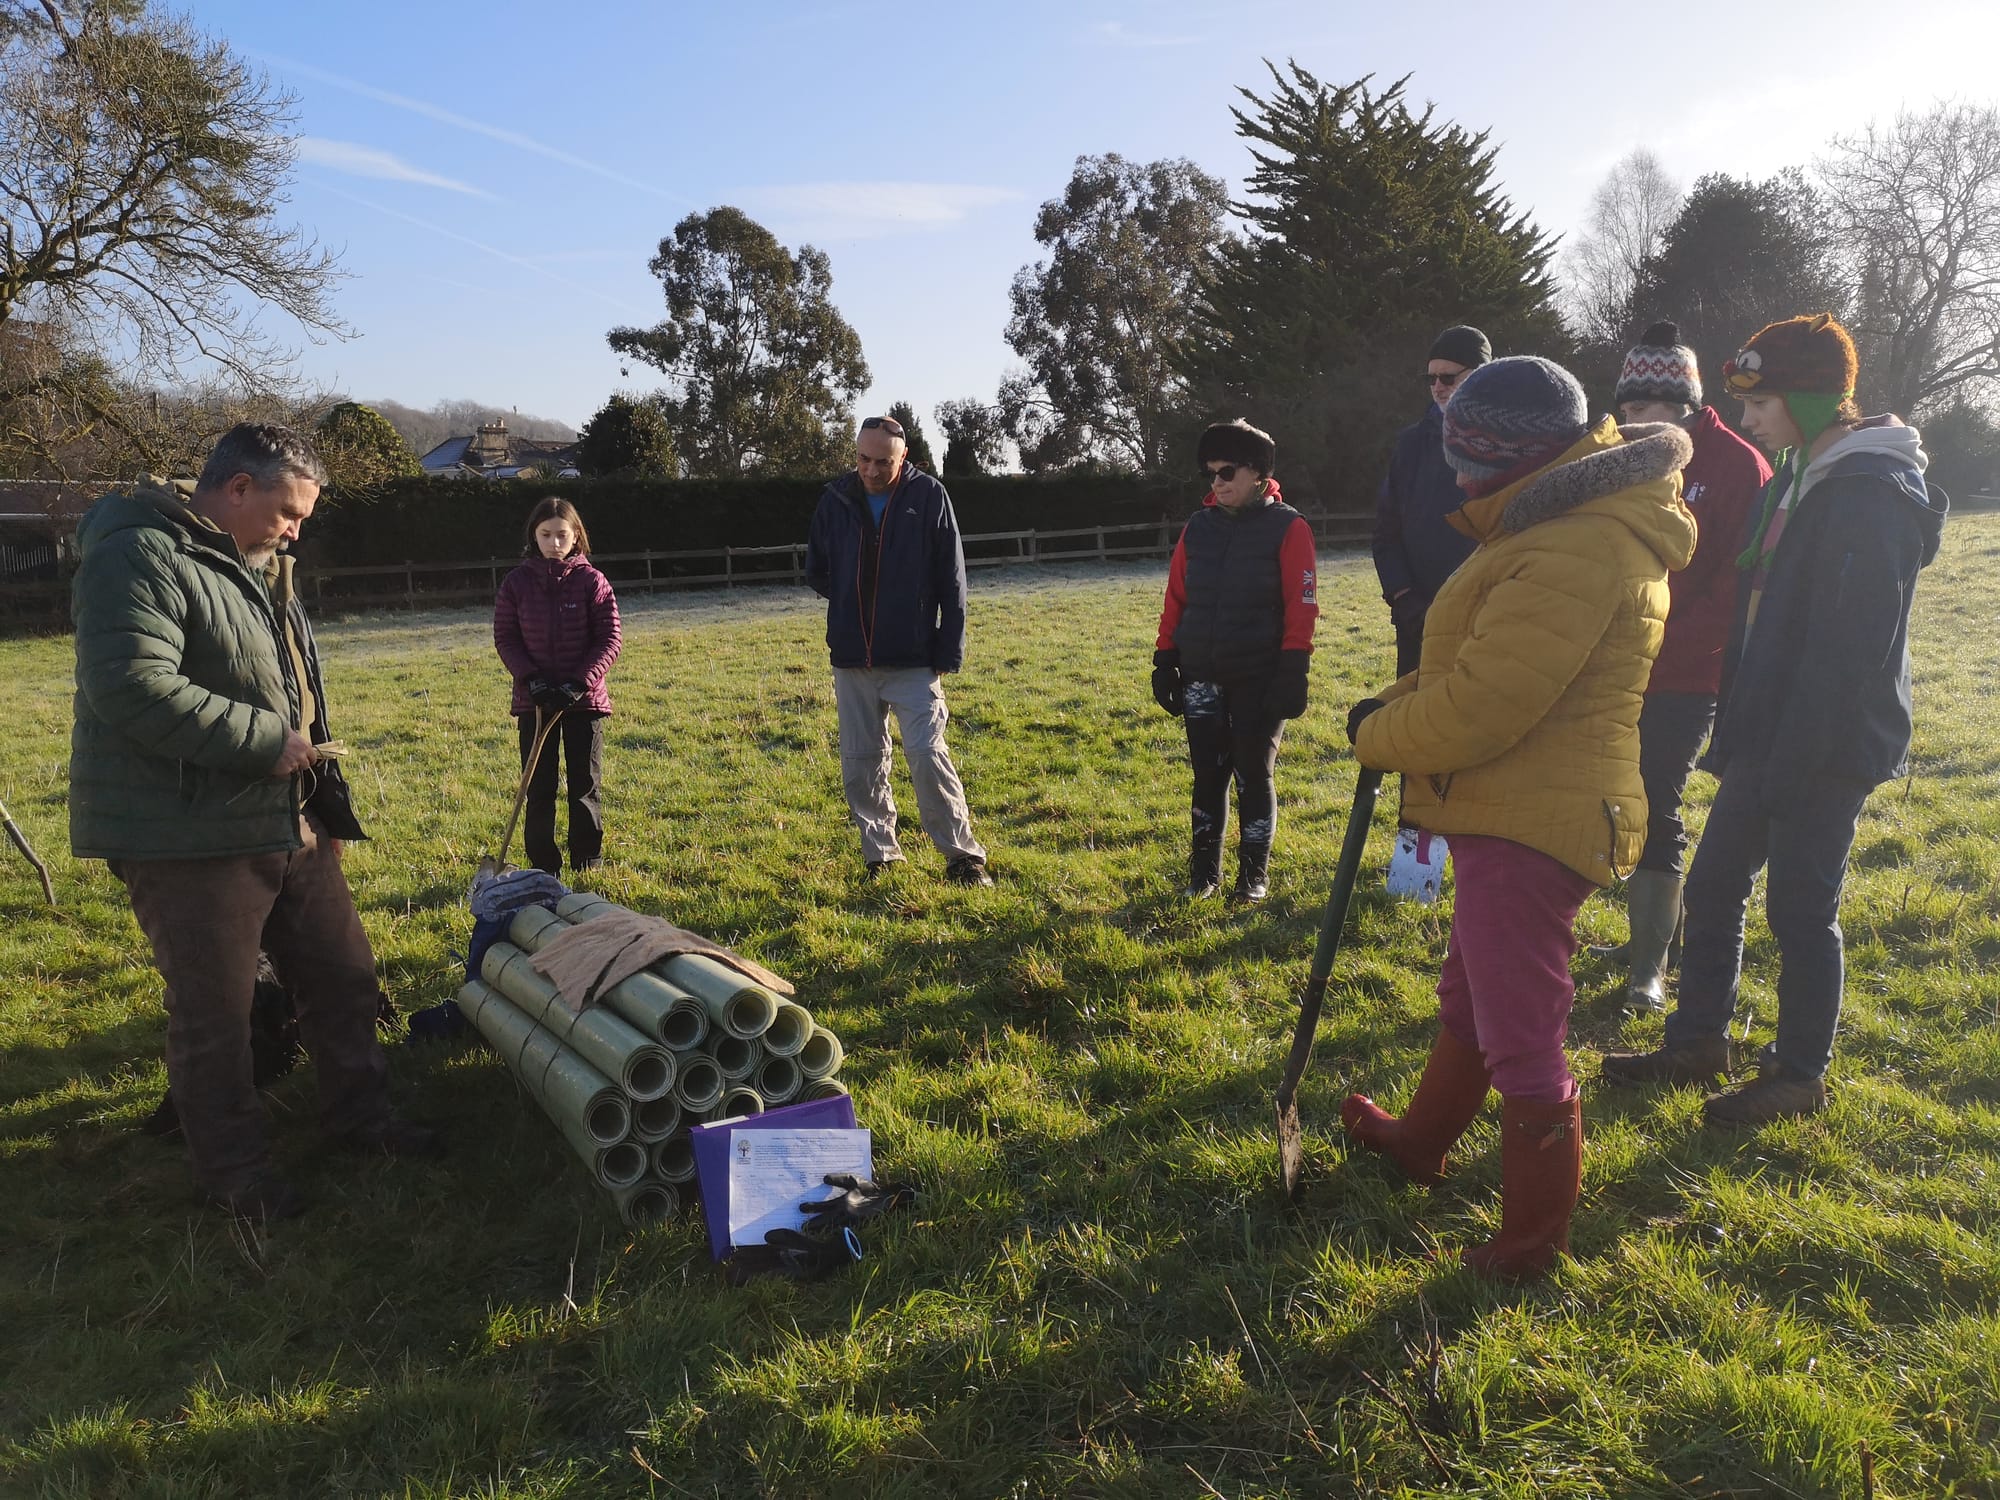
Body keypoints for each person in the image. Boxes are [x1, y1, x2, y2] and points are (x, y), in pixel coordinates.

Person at [1341, 357, 1696, 1279]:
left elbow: (1484, 708)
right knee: (1476, 997)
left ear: (1516, 454)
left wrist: (1380, 738)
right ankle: (1420, 1143)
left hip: (1536, 820)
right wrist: (1394, 702)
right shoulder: (1546, 521)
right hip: (1516, 804)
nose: (1455, 476)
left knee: (1522, 1034)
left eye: (1467, 457)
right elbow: (1471, 660)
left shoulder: (1575, 544)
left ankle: (1531, 1246)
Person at [69, 423, 441, 1221]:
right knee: (218, 1015)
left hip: (290, 818)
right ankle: (235, 1176)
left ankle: (360, 1120)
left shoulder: (260, 566)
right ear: (236, 489)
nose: (296, 529)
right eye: (287, 510)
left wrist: (323, 799)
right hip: (186, 834)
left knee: (344, 979)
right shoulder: (136, 554)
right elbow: (131, 687)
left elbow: (298, 686)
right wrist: (268, 744)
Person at [1601, 314, 1946, 1125]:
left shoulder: (1868, 495)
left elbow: (1849, 650)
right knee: (1716, 884)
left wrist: (1796, 754)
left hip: (1827, 744)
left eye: (1765, 401)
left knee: (1801, 907)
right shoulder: (1800, 472)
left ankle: (1798, 1075)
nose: (1748, 418)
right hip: (1765, 728)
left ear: (1817, 400)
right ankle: (1697, 1042)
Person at [1596, 322, 1771, 1011]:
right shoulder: (1622, 456)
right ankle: (1652, 933)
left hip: (1686, 674)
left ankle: (1649, 970)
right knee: (1614, 797)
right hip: (1612, 666)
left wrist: (1659, 647)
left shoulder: (1735, 465)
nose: (1627, 422)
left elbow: (1735, 587)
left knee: (1656, 795)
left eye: (1640, 409)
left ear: (1680, 403)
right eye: (1624, 409)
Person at [804, 415, 991, 885]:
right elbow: (818, 570)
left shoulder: (929, 497)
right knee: (861, 763)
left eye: (881, 461)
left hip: (915, 659)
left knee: (928, 754)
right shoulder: (834, 500)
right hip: (851, 658)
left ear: (902, 456)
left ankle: (963, 857)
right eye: (862, 459)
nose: (870, 470)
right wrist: (854, 604)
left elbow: (953, 580)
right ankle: (881, 856)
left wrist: (948, 648)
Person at [1151, 419, 1318, 902]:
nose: (1217, 483)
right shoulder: (1197, 529)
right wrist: (1165, 658)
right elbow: (1176, 596)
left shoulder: (1290, 527)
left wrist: (1293, 669)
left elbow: (1301, 604)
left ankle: (1252, 878)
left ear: (1259, 473)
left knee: (1252, 772)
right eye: (1210, 473)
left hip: (1260, 678)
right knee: (1208, 775)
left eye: (1227, 471)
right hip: (1201, 673)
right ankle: (1203, 875)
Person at [493, 497, 623, 876]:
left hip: (584, 701)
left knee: (584, 783)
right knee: (538, 786)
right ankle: (543, 866)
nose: (554, 543)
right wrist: (530, 679)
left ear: (575, 536)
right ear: (534, 536)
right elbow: (506, 637)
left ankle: (588, 860)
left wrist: (580, 683)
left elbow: (609, 638)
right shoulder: (516, 584)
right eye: (546, 535)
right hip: (534, 701)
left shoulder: (592, 582)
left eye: (561, 535)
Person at [1373, 325, 1490, 676]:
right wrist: (1403, 596)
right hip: (1418, 619)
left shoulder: (1510, 442)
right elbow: (1386, 529)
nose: (1438, 387)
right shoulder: (1411, 444)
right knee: (1415, 722)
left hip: (1489, 618)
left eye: (1449, 377)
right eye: (1431, 378)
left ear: (1480, 376)